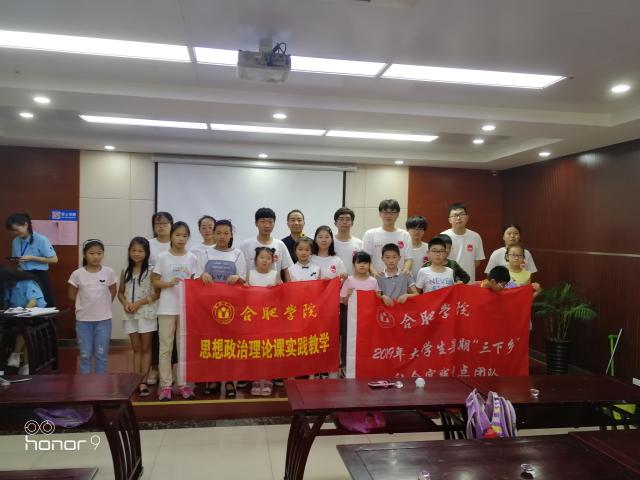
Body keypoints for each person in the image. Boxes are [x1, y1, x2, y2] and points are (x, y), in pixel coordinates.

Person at [151, 221, 199, 401]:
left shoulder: (192, 258)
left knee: (183, 348)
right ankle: (165, 385)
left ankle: (183, 384)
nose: (181, 239)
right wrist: (168, 283)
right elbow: (155, 281)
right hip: (166, 308)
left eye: (185, 236)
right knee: (165, 347)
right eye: (178, 235)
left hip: (185, 310)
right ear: (171, 236)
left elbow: (195, 282)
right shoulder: (163, 257)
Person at [199, 219, 247, 397]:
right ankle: (212, 378)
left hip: (231, 307)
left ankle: (229, 381)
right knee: (211, 342)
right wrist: (202, 275)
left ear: (231, 235)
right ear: (213, 233)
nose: (222, 236)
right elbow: (196, 275)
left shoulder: (238, 254)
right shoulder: (205, 253)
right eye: (218, 232)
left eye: (226, 233)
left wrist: (238, 278)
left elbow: (244, 278)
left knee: (229, 343)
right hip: (208, 306)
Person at [117, 237, 159, 397]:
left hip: (146, 314)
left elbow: (157, 294)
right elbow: (120, 293)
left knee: (146, 348)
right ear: (129, 251)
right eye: (133, 250)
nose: (137, 253)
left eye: (140, 251)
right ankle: (136, 379)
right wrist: (125, 303)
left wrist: (139, 303)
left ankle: (144, 382)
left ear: (146, 253)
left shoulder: (152, 270)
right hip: (130, 315)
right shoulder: (125, 270)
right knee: (136, 349)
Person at [68, 239, 117, 374]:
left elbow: (113, 291)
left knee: (101, 355)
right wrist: (86, 304)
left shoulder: (108, 272)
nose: (96, 256)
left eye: (99, 253)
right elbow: (71, 295)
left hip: (103, 320)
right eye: (91, 253)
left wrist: (103, 304)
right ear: (85, 254)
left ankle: (100, 384)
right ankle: (86, 384)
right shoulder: (77, 273)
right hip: (83, 321)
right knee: (85, 355)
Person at [245, 247, 281, 396]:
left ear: (272, 261)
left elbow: (282, 295)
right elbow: (243, 295)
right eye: (261, 257)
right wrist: (245, 288)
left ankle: (267, 379)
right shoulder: (250, 273)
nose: (265, 260)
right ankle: (255, 379)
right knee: (255, 349)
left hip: (269, 318)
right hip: (253, 318)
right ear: (255, 260)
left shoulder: (275, 274)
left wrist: (277, 287)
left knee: (268, 349)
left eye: (268, 258)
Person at [340, 251, 380, 378]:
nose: (362, 265)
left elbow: (377, 300)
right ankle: (347, 366)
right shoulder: (349, 281)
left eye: (365, 263)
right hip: (351, 319)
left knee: (367, 341)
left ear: (369, 265)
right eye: (359, 263)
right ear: (354, 264)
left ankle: (365, 365)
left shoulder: (373, 281)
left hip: (368, 319)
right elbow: (344, 302)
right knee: (349, 341)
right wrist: (348, 296)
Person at [5, 213, 58, 307]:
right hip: (22, 275)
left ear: (26, 225)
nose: (15, 233)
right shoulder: (15, 241)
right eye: (13, 231)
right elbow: (17, 260)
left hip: (39, 275)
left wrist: (32, 258)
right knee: (23, 304)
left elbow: (54, 260)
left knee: (43, 304)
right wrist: (17, 261)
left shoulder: (41, 239)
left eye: (16, 230)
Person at [1, 266, 46, 374]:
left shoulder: (27, 282)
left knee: (26, 328)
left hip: (33, 315)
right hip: (14, 317)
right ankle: (25, 366)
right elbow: (6, 303)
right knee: (24, 330)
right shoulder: (7, 287)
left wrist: (23, 311)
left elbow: (33, 301)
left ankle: (16, 354)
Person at [147, 211, 174, 386]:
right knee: (154, 334)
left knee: (170, 336)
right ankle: (154, 368)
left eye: (165, 223)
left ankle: (169, 370)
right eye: (158, 224)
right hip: (152, 295)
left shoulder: (176, 242)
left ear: (171, 225)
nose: (161, 226)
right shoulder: (149, 244)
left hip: (171, 295)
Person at [240, 207, 293, 282]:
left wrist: (291, 287)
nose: (267, 225)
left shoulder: (280, 245)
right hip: (251, 287)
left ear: (274, 224)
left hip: (273, 287)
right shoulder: (245, 245)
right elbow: (240, 271)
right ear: (256, 223)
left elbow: (287, 270)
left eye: (270, 222)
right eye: (263, 221)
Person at [362, 199, 412, 275]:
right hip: (376, 278)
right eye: (385, 212)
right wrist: (374, 273)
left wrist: (404, 273)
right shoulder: (369, 234)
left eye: (392, 212)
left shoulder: (405, 235)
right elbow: (366, 259)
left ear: (398, 214)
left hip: (399, 279)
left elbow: (408, 259)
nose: (389, 216)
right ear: (380, 214)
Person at [440, 203, 485, 282]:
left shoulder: (475, 236)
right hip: (448, 281)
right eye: (455, 215)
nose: (458, 218)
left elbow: (477, 261)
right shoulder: (442, 237)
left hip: (469, 281)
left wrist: (464, 272)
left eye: (461, 215)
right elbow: (438, 260)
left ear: (467, 217)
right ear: (449, 220)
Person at [333, 207, 363, 276]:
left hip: (353, 280)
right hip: (334, 280)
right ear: (335, 223)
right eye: (341, 219)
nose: (344, 222)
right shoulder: (329, 242)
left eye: (348, 219)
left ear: (352, 223)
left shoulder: (359, 243)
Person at [406, 215, 429, 280]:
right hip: (405, 283)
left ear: (424, 231)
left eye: (420, 229)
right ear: (407, 230)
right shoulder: (403, 248)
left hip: (424, 282)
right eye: (414, 228)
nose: (417, 232)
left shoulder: (429, 248)